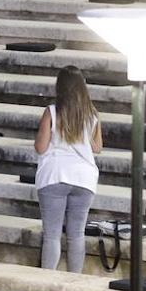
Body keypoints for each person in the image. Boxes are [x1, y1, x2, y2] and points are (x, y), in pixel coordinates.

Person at [34, 68, 102, 273]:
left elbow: (41, 147)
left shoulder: (52, 112)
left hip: (55, 175)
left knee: (52, 235)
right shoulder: (92, 114)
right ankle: (75, 279)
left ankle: (48, 279)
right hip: (84, 178)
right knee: (77, 234)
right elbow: (97, 147)